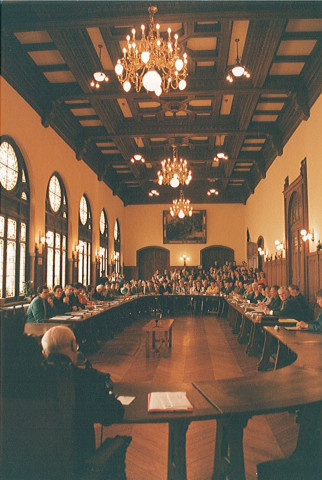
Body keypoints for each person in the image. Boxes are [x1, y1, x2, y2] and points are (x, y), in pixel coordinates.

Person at [41, 326, 124, 470]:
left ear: (44, 353)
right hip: (80, 465)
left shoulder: (28, 383)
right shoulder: (87, 380)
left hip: (39, 468)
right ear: (74, 346)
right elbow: (114, 413)